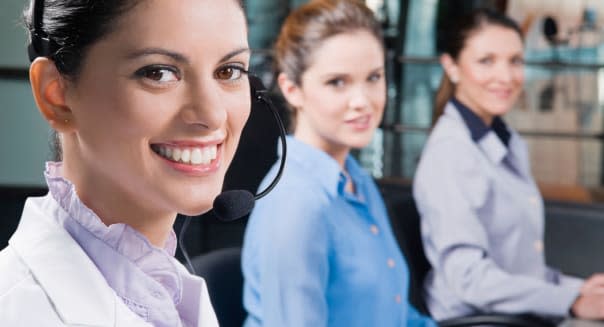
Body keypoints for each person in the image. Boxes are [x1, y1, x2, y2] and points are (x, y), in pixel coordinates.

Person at [0, 0, 252, 325]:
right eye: (158, 73)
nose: (212, 114)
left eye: (229, 71)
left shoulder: (168, 294)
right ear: (56, 94)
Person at [241, 1, 436, 326]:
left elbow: (396, 317)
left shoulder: (356, 180)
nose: (363, 101)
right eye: (337, 82)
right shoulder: (295, 203)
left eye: (373, 77)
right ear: (292, 89)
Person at [413, 8, 604, 322]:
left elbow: (517, 268)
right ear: (452, 67)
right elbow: (469, 280)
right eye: (486, 61)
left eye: (515, 61)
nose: (505, 77)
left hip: (514, 314)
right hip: (480, 320)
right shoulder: (451, 154)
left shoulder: (504, 139)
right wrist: (571, 300)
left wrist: (580, 288)